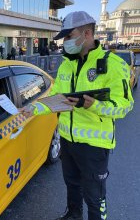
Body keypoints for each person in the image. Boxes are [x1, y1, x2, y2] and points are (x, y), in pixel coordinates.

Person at [20, 11, 134, 220]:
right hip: (67, 140)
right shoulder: (67, 64)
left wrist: (94, 105)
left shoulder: (113, 65)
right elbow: (56, 97)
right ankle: (73, 215)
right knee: (72, 185)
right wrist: (33, 109)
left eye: (69, 36)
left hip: (94, 145)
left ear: (87, 34)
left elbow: (125, 106)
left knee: (94, 196)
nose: (65, 42)